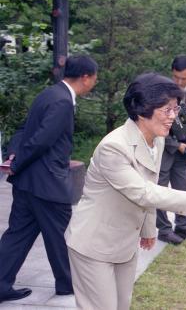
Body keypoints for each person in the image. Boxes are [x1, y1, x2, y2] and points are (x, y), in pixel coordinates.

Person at [65, 73, 186, 310]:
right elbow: (144, 192)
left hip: (124, 242)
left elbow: (151, 183)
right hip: (94, 244)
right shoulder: (113, 147)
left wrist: (149, 228)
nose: (173, 117)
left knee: (121, 305)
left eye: (175, 109)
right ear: (142, 109)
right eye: (166, 110)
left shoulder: (156, 139)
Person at [0, 55, 98, 303]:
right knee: (64, 235)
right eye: (95, 78)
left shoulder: (48, 94)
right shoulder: (63, 102)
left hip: (28, 183)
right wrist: (16, 163)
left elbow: (23, 131)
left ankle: (1, 284)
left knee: (17, 235)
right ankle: (68, 284)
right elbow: (41, 141)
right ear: (86, 77)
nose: (94, 83)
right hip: (48, 183)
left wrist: (13, 156)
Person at [156, 55, 186, 245]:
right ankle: (164, 229)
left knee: (184, 188)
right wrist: (176, 146)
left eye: (184, 78)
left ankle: (183, 225)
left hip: (185, 145)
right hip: (165, 147)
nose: (179, 82)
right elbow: (155, 123)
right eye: (176, 77)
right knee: (160, 190)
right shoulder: (161, 90)